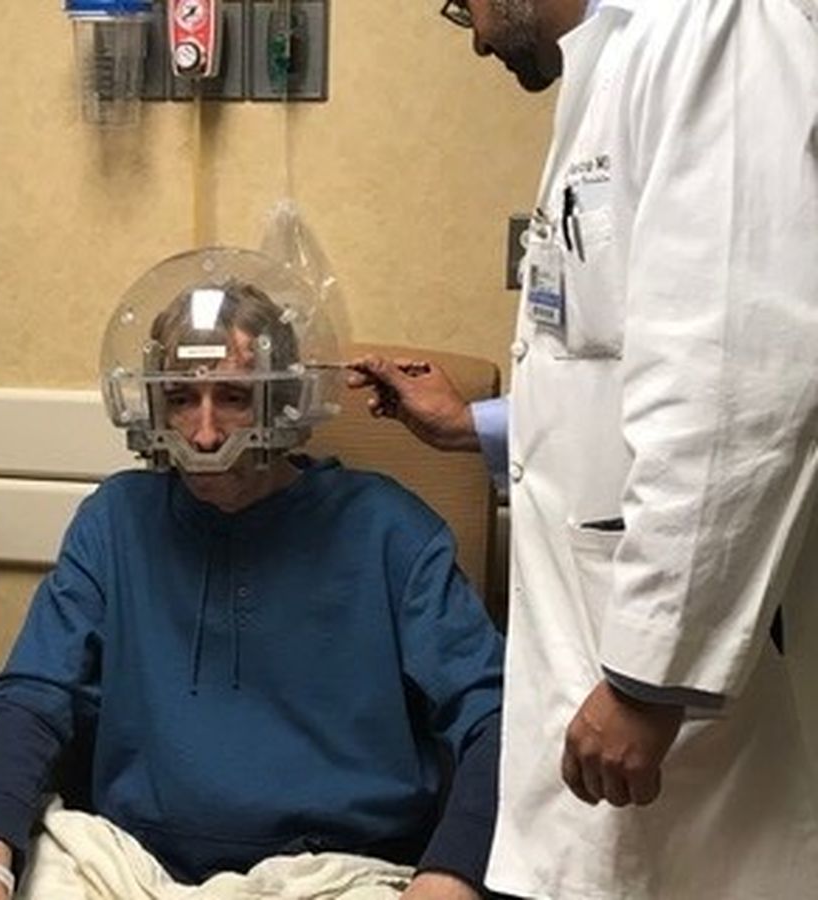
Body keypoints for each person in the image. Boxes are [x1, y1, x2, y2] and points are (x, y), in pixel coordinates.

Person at [351, 1, 818, 897]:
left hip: (683, 700)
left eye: (464, 5)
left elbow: (740, 383)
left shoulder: (712, 28)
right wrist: (477, 426)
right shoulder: (616, 63)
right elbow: (614, 363)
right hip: (622, 693)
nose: (476, 36)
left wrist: (650, 680)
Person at [0, 249, 505, 900]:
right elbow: (31, 700)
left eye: (233, 397)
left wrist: (451, 875)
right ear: (151, 406)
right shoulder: (115, 521)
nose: (205, 435)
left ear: (285, 400)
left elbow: (495, 716)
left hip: (335, 873)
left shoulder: (389, 532)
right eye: (182, 399)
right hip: (132, 866)